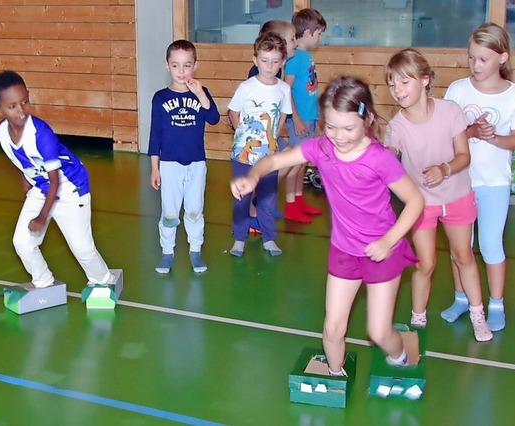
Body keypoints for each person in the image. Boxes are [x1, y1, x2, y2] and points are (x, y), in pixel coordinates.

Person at [231, 77, 424, 373]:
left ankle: (399, 357)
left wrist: (388, 240)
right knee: (333, 329)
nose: (339, 136)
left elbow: (415, 202)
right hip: (344, 250)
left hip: (382, 250)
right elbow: (272, 162)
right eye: (331, 127)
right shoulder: (321, 148)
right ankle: (335, 374)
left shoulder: (380, 159)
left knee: (378, 332)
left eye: (349, 128)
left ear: (368, 120)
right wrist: (253, 176)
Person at [384, 49, 492, 342]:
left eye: (404, 82)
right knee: (426, 263)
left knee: (464, 255)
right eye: (392, 84)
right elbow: (389, 157)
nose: (397, 90)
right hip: (421, 205)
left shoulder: (450, 111)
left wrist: (445, 169)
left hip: (457, 196)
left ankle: (477, 314)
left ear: (425, 80)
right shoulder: (396, 127)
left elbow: (463, 156)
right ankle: (418, 319)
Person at [442, 23, 515, 331]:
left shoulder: (514, 95)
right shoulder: (457, 90)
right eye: (471, 58)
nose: (475, 65)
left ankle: (496, 303)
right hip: (460, 181)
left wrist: (495, 139)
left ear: (502, 58)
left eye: (483, 59)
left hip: (493, 182)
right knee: (460, 247)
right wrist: (471, 131)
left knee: (491, 244)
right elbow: (449, 134)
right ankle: (462, 298)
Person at [0, 70, 115, 288]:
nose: (21, 110)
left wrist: (42, 217)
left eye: (25, 102)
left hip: (69, 186)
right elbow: (18, 158)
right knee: (22, 242)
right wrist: (23, 176)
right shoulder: (2, 132)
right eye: (12, 106)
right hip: (41, 187)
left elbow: (56, 183)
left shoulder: (41, 133)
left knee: (82, 248)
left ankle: (104, 280)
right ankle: (43, 281)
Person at [148, 40, 220, 274]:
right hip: (169, 163)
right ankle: (167, 251)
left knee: (194, 209)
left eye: (187, 66)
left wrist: (200, 93)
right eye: (176, 65)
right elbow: (154, 135)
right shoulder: (160, 98)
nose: (181, 71)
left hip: (196, 162)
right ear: (167, 65)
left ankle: (195, 250)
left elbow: (214, 118)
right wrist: (154, 168)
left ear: (195, 65)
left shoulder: (202, 93)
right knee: (169, 212)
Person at [227, 32, 292, 257]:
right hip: (244, 155)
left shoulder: (284, 89)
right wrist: (241, 134)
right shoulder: (247, 87)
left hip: (269, 156)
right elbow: (233, 112)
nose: (269, 66)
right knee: (242, 198)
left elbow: (283, 115)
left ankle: (269, 237)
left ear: (283, 62)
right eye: (264, 60)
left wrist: (273, 137)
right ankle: (239, 237)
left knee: (267, 198)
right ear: (255, 60)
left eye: (275, 61)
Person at [283, 8, 326, 223]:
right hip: (299, 119)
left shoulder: (306, 56)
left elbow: (312, 90)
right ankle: (290, 204)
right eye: (319, 34)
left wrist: (316, 120)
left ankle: (299, 200)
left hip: (309, 117)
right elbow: (286, 89)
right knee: (296, 163)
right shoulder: (294, 58)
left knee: (304, 161)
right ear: (307, 33)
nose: (319, 39)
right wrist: (297, 118)